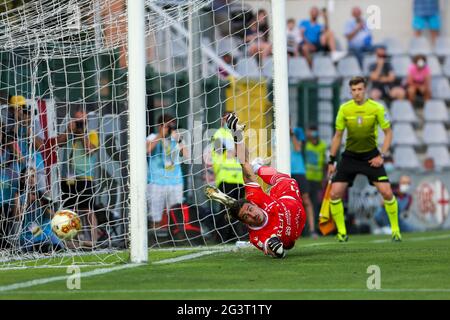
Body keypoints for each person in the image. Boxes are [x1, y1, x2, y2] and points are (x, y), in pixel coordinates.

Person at [205, 113, 306, 258]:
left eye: (251, 209)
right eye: (247, 217)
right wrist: (274, 247)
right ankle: (223, 237)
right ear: (245, 223)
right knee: (288, 243)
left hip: (287, 199)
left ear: (254, 204)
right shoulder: (256, 237)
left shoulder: (255, 197)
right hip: (225, 178)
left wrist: (237, 135)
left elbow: (243, 162)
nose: (253, 215)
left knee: (289, 181)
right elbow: (272, 249)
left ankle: (257, 167)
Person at [327, 76, 402, 242]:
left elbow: (388, 133)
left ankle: (396, 231)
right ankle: (342, 233)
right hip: (350, 156)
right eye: (353, 90)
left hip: (370, 156)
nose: (357, 93)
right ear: (350, 91)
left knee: (386, 192)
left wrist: (381, 155)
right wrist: (332, 161)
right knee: (335, 193)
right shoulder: (344, 109)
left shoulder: (377, 108)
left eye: (359, 89)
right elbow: (337, 136)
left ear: (365, 89)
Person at [60, 110, 100, 247]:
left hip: (85, 177)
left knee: (88, 210)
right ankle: (72, 240)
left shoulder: (92, 134)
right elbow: (58, 143)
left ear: (86, 122)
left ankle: (93, 239)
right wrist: (68, 130)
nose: (78, 124)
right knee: (70, 211)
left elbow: (90, 150)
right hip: (68, 178)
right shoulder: (70, 134)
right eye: (76, 121)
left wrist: (82, 132)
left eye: (81, 122)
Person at [209, 112, 246, 241]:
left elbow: (244, 153)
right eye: (227, 118)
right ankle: (221, 237)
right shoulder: (219, 134)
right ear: (222, 120)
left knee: (239, 209)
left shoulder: (237, 133)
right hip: (225, 177)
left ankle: (237, 236)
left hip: (239, 178)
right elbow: (227, 153)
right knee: (225, 208)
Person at [147, 114, 188, 229]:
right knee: (155, 217)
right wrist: (161, 135)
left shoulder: (176, 139)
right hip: (156, 182)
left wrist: (179, 139)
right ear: (159, 126)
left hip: (175, 182)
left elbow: (186, 156)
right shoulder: (152, 137)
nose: (169, 128)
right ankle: (153, 240)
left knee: (176, 215)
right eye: (166, 126)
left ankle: (174, 238)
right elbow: (147, 149)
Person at [290, 126, 317, 238]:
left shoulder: (297, 131)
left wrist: (291, 134)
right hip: (284, 171)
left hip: (299, 171)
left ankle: (311, 230)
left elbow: (297, 148)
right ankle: (291, 231)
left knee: (306, 200)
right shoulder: (275, 130)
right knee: (289, 202)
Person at [304, 125, 327, 225]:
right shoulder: (305, 144)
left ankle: (316, 226)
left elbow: (324, 163)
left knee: (315, 203)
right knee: (306, 202)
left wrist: (323, 178)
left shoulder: (322, 145)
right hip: (306, 178)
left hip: (317, 179)